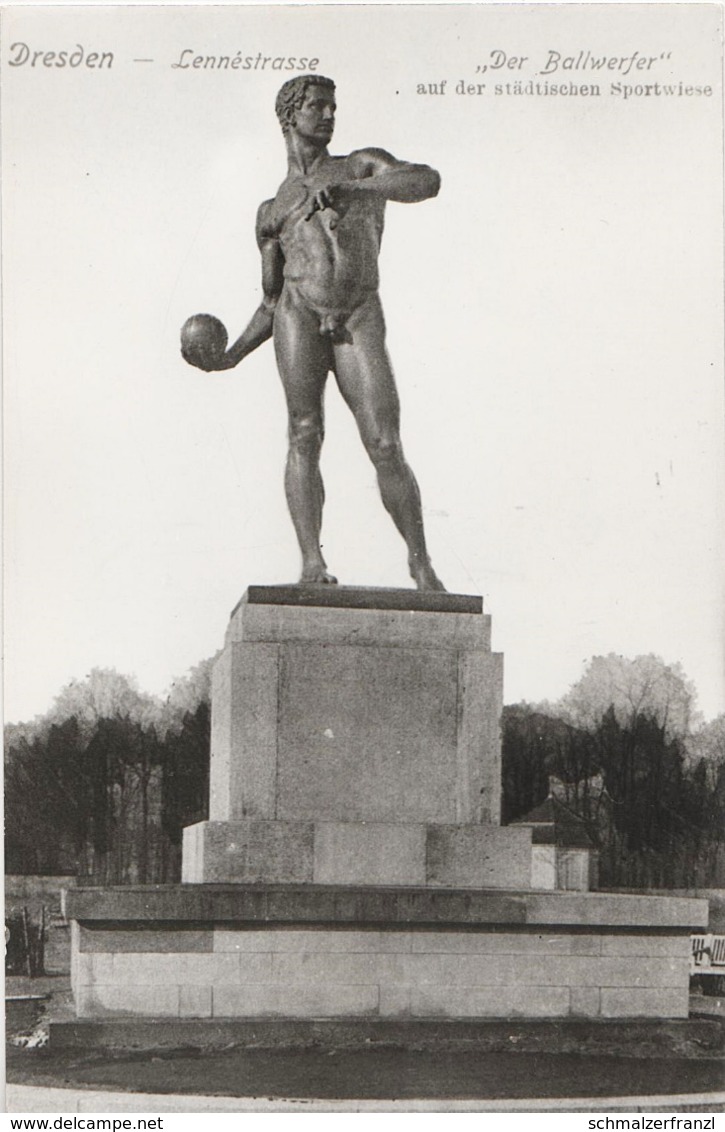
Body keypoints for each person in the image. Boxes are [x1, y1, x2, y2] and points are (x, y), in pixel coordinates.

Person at [192, 74, 445, 591]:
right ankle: (312, 562)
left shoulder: (361, 165)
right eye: (318, 107)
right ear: (290, 117)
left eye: (333, 106)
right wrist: (231, 356)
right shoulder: (271, 210)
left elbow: (426, 180)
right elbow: (269, 298)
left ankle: (421, 563)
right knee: (304, 433)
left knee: (384, 442)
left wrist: (355, 187)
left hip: (357, 313)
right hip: (298, 315)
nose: (330, 115)